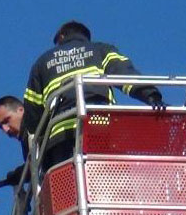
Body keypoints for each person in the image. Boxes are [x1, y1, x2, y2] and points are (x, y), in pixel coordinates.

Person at [21, 21, 166, 170]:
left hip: (61, 138)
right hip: (99, 125)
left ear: (62, 37)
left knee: (69, 186)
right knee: (104, 179)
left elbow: (32, 115)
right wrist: (151, 96)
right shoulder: (100, 50)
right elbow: (125, 74)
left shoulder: (42, 63)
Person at [0, 95, 29, 186]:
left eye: (6, 121)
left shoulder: (37, 128)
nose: (6, 129)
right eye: (1, 127)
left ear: (21, 110)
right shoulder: (27, 139)